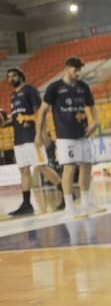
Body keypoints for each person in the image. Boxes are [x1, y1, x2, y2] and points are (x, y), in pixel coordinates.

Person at [35, 57, 101, 219]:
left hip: (83, 134)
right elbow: (42, 111)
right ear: (66, 68)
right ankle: (69, 206)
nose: (78, 72)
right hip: (65, 137)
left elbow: (92, 107)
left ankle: (86, 202)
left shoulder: (83, 87)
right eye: (75, 69)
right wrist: (39, 133)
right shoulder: (54, 88)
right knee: (69, 168)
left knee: (86, 166)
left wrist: (95, 122)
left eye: (80, 69)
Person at [4, 68, 64, 216]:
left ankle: (67, 194)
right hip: (19, 139)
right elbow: (18, 117)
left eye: (14, 76)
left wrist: (41, 134)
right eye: (9, 77)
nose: (11, 79)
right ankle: (26, 204)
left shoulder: (30, 91)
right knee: (24, 170)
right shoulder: (13, 96)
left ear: (21, 76)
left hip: (32, 137)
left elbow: (39, 113)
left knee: (42, 167)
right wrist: (5, 122)